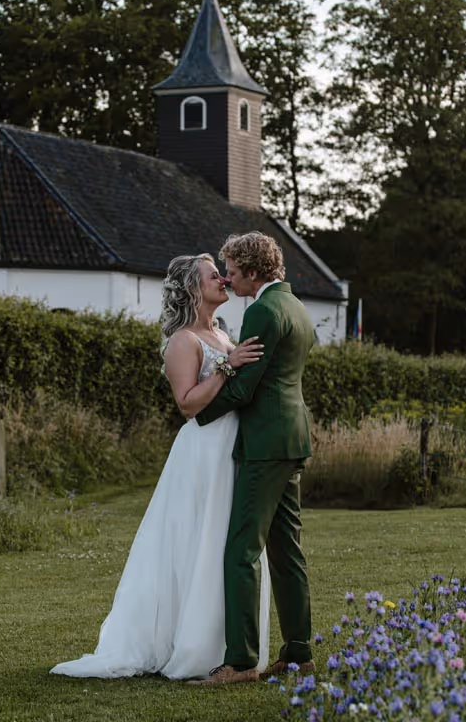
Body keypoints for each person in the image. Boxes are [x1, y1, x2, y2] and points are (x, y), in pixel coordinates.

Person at [51, 253, 270, 680]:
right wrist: (228, 367)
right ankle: (189, 644)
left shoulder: (224, 334)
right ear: (193, 288)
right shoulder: (182, 342)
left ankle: (223, 640)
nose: (224, 279)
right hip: (202, 451)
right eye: (214, 275)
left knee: (223, 544)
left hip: (231, 448)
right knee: (196, 541)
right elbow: (187, 404)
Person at [190, 232, 315, 686]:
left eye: (233, 270)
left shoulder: (263, 310)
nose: (228, 277)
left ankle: (240, 661)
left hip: (265, 444)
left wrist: (197, 414)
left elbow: (246, 386)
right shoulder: (296, 307)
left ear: (253, 271)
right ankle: (299, 653)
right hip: (292, 438)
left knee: (241, 551)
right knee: (287, 552)